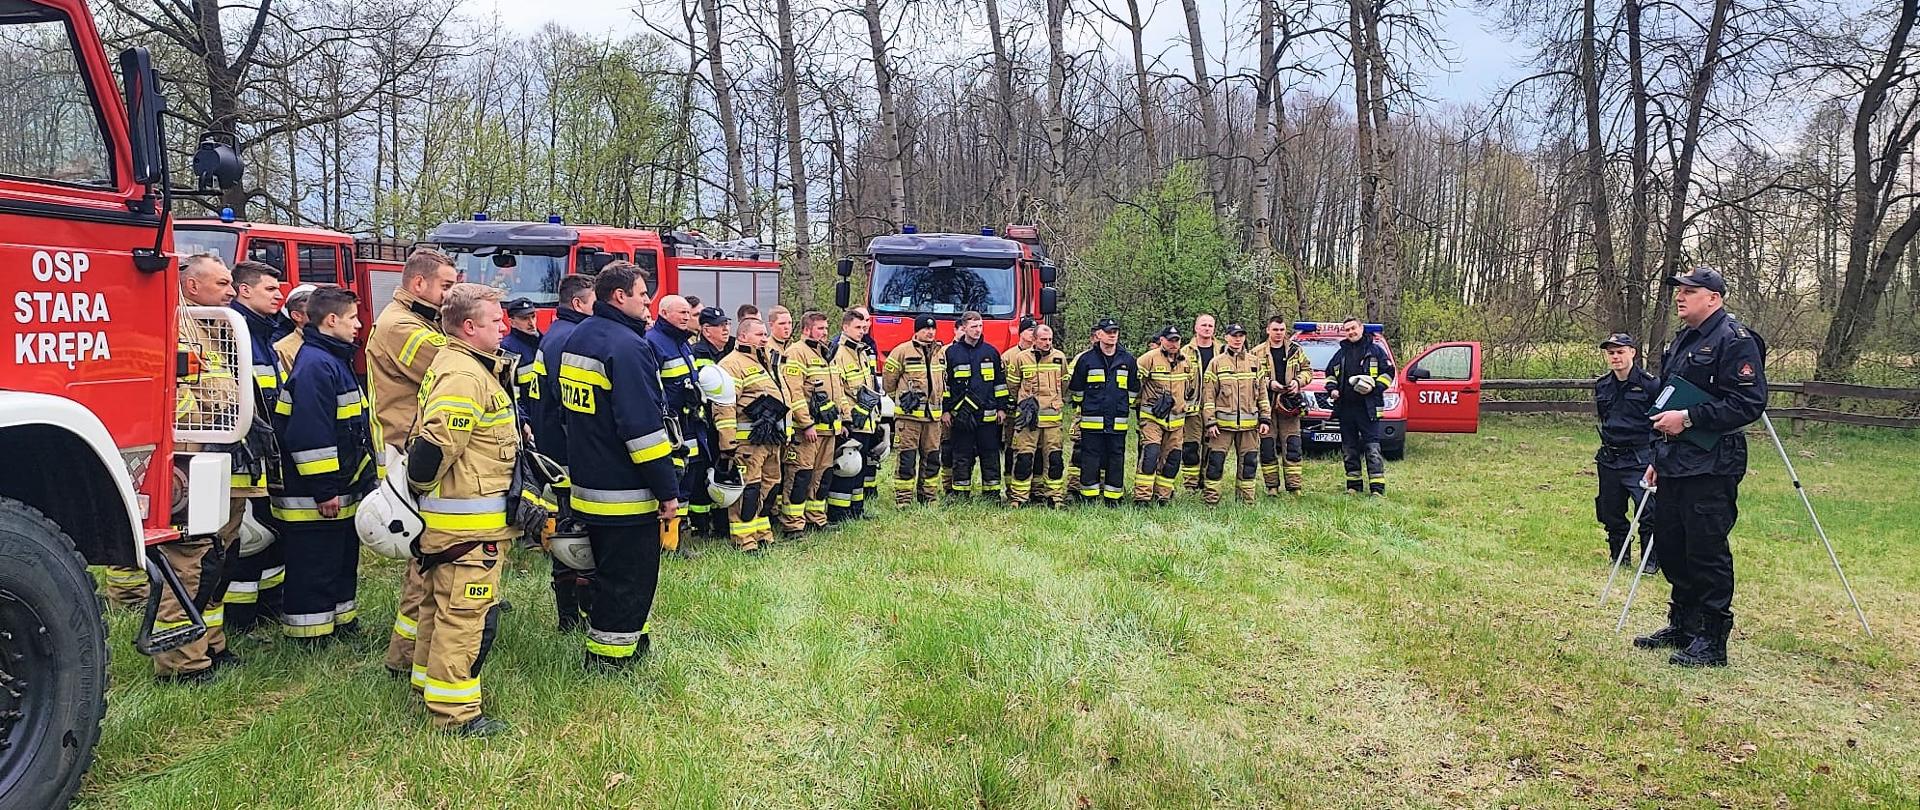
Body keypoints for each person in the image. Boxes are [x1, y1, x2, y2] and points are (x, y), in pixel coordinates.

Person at [406, 283, 527, 736]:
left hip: (454, 523)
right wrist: (419, 487)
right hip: (467, 529)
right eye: (496, 320)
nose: (504, 326)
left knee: (439, 610)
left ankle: (428, 686)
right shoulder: (465, 375)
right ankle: (456, 715)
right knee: (464, 619)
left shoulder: (466, 366)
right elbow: (435, 448)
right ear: (469, 326)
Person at [1636, 268, 1766, 668]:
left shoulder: (1735, 340)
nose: (1681, 297)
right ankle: (1684, 623)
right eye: (1679, 291)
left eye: (1691, 291)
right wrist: (1660, 456)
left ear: (1714, 298)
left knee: (1706, 550)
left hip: (1712, 464)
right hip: (1676, 460)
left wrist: (1689, 419)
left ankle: (1712, 639)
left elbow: (1748, 403)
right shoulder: (1684, 339)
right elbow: (1667, 402)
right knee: (1672, 546)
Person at [560, 263, 681, 668]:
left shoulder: (581, 335)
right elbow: (642, 431)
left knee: (606, 573)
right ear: (619, 296)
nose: (648, 302)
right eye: (643, 294)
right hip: (625, 492)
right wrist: (667, 490)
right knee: (630, 577)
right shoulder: (627, 348)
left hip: (589, 484)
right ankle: (611, 661)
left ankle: (627, 640)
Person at [152, 254, 240, 682]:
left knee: (211, 553)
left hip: (207, 446)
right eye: (223, 283)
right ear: (192, 286)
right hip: (185, 450)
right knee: (186, 557)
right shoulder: (177, 326)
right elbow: (201, 393)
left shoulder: (209, 325)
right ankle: (179, 662)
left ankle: (206, 645)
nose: (232, 290)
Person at [372, 249, 459, 681]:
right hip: (416, 451)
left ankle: (411, 649)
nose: (450, 295)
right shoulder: (400, 326)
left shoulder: (417, 318)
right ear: (419, 284)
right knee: (427, 553)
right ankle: (405, 655)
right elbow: (454, 364)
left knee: (430, 554)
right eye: (446, 286)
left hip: (423, 446)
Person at [271, 286, 374, 644]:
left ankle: (340, 621)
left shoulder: (331, 358)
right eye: (351, 318)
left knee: (339, 559)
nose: (358, 325)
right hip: (315, 496)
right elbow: (309, 435)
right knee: (314, 564)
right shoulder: (317, 365)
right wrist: (325, 490)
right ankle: (309, 636)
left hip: (337, 488)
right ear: (331, 320)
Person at [223, 260, 288, 634]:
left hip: (266, 455)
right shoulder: (236, 333)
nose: (278, 295)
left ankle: (266, 608)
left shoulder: (262, 333)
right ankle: (239, 617)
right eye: (269, 289)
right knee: (247, 538)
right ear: (243, 291)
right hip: (247, 455)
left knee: (268, 533)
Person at [532, 274, 596, 631]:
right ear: (578, 304)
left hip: (554, 448)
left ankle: (570, 613)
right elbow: (570, 404)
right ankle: (574, 616)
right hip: (569, 452)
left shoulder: (553, 334)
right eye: (592, 303)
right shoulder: (573, 338)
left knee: (568, 526)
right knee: (576, 531)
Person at [1594, 332, 1658, 573]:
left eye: (1620, 352)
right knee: (1610, 510)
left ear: (1632, 352)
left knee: (1648, 510)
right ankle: (1619, 556)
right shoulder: (1602, 385)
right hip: (1610, 456)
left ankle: (1650, 561)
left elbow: (1658, 421)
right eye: (1611, 353)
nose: (1615, 357)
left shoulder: (1650, 384)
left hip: (1639, 458)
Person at [720, 317, 784, 552]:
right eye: (759, 334)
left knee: (770, 486)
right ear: (743, 336)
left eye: (765, 334)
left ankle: (762, 533)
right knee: (749, 490)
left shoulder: (765, 360)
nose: (765, 338)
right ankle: (744, 539)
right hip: (748, 442)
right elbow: (725, 406)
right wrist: (728, 442)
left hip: (771, 439)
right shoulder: (732, 364)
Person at [646, 295, 703, 550]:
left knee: (687, 480)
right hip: (670, 426)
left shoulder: (683, 343)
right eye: (681, 313)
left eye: (688, 314)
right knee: (673, 479)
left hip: (689, 423)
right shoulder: (654, 343)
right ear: (664, 312)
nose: (686, 317)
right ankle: (666, 541)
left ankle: (679, 535)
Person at [1068, 318, 1139, 506]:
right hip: (1092, 420)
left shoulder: (1128, 360)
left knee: (1116, 458)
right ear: (1098, 334)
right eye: (1108, 331)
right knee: (1090, 458)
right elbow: (1077, 390)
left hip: (1118, 420)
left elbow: (1133, 389)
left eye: (1115, 331)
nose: (1112, 334)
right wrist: (1086, 408)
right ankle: (1089, 497)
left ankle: (1113, 498)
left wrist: (1123, 407)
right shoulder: (1086, 360)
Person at [1202, 324, 1272, 504]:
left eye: (1241, 335)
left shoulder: (1254, 362)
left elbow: (1263, 394)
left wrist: (1265, 418)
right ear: (1226, 338)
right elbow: (1208, 396)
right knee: (1215, 463)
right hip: (1222, 427)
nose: (1238, 339)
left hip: (1250, 426)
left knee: (1249, 464)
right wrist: (1210, 422)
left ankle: (1246, 501)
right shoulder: (1216, 363)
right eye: (1234, 335)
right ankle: (1211, 500)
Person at [781, 312, 838, 532]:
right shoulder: (796, 353)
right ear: (806, 329)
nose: (825, 333)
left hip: (828, 429)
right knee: (800, 476)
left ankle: (816, 518)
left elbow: (836, 390)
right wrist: (806, 423)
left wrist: (841, 419)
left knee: (822, 475)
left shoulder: (825, 353)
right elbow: (794, 392)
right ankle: (793, 525)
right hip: (807, 430)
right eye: (820, 329)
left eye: (826, 328)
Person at [1323, 317, 1393, 495]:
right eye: (1347, 329)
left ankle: (1377, 488)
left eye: (1353, 328)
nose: (1351, 332)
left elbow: (1389, 373)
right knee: (1349, 448)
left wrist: (1375, 387)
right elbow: (1330, 374)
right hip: (1346, 408)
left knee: (1372, 448)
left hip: (1368, 408)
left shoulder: (1375, 351)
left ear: (1361, 328)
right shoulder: (1341, 353)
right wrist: (1332, 390)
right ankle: (1353, 486)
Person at [882, 316, 947, 505]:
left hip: (933, 418)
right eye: (926, 329)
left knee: (932, 458)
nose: (930, 332)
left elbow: (944, 381)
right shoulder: (901, 351)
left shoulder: (940, 353)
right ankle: (903, 499)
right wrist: (902, 398)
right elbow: (888, 382)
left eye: (933, 329)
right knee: (907, 459)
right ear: (916, 331)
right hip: (909, 418)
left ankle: (929, 497)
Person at [943, 311, 1007, 499]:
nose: (978, 330)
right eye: (973, 327)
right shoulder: (951, 353)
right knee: (961, 456)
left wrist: (1002, 408)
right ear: (963, 328)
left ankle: (992, 494)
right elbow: (945, 385)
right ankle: (961, 495)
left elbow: (1000, 383)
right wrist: (946, 410)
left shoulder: (991, 352)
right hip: (961, 416)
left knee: (990, 455)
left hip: (987, 416)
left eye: (980, 326)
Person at [827, 309, 882, 522]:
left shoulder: (862, 351)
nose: (862, 331)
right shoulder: (838, 353)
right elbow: (838, 389)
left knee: (860, 469)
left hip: (867, 421)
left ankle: (856, 510)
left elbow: (869, 387)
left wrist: (875, 417)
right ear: (845, 327)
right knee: (846, 468)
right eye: (857, 327)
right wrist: (846, 418)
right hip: (852, 423)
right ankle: (838, 514)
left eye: (864, 327)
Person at [1007, 323, 1067, 507]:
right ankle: (1019, 497)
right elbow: (1012, 386)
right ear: (1034, 339)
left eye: (1049, 339)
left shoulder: (1059, 358)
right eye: (1043, 339)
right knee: (1024, 457)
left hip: (1052, 420)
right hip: (1028, 420)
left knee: (1054, 459)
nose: (1047, 343)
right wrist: (1025, 404)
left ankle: (1054, 497)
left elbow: (1064, 384)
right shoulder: (1020, 358)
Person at [688, 306, 735, 538]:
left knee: (722, 470)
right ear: (706, 330)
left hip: (725, 422)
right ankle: (701, 526)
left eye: (727, 325)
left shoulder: (731, 350)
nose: (726, 329)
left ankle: (722, 524)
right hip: (704, 423)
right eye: (720, 326)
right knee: (701, 474)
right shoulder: (696, 353)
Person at [1133, 325, 1191, 505]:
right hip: (1152, 418)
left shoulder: (1185, 362)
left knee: (1172, 459)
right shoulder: (1147, 359)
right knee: (1150, 455)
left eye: (1177, 340)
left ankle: (1162, 496)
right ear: (1162, 341)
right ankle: (1142, 497)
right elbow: (1135, 387)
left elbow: (1189, 388)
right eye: (1170, 340)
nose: (1174, 344)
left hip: (1177, 420)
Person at [1259, 317, 1314, 495]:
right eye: (1275, 330)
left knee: (1292, 446)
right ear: (1268, 330)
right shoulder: (1257, 352)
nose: (1279, 333)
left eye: (1282, 330)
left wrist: (1298, 382)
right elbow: (1252, 377)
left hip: (1290, 406)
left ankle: (1294, 487)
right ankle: (1272, 487)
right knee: (1267, 447)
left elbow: (1308, 371)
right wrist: (1269, 383)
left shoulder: (1295, 350)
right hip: (1266, 405)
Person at [1179, 314, 1220, 492]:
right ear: (1195, 328)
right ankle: (1190, 485)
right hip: (1192, 409)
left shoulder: (1223, 350)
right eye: (1203, 325)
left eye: (1210, 325)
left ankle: (1206, 481)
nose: (1207, 328)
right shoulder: (1184, 352)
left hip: (1216, 408)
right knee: (1191, 447)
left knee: (1211, 447)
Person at [1000, 316, 1038, 497]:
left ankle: (1035, 490)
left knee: (1034, 451)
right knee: (1012, 449)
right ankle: (1011, 488)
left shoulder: (1042, 355)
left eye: (1035, 330)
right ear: (1021, 333)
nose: (1033, 334)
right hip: (1013, 413)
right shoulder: (1008, 356)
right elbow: (1006, 385)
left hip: (1036, 414)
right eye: (1030, 330)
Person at [501, 297, 541, 414]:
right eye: (524, 319)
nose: (531, 323)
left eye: (533, 317)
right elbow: (509, 391)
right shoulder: (507, 348)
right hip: (527, 414)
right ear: (511, 322)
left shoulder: (542, 341)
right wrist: (523, 419)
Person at [274, 283, 319, 369]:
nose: (323, 315)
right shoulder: (283, 350)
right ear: (297, 316)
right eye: (315, 312)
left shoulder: (333, 340)